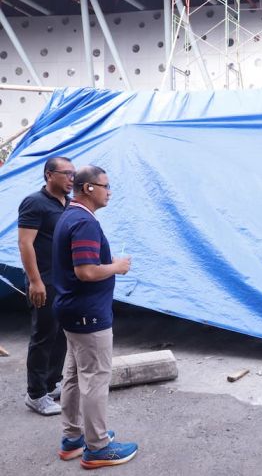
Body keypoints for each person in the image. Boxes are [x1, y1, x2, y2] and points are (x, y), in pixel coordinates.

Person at [52, 165, 138, 468]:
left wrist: (107, 260)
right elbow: (85, 271)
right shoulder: (85, 222)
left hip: (71, 311)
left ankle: (73, 438)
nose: (109, 191)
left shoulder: (70, 215)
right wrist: (116, 267)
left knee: (75, 376)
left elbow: (84, 261)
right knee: (95, 380)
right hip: (88, 315)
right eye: (105, 185)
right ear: (88, 188)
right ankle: (98, 447)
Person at [18, 156, 75, 416]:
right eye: (66, 173)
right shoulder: (34, 203)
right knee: (43, 335)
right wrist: (35, 280)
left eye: (74, 173)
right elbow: (25, 243)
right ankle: (36, 394)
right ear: (49, 175)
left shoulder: (70, 204)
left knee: (61, 334)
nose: (72, 178)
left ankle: (51, 384)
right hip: (44, 280)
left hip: (65, 281)